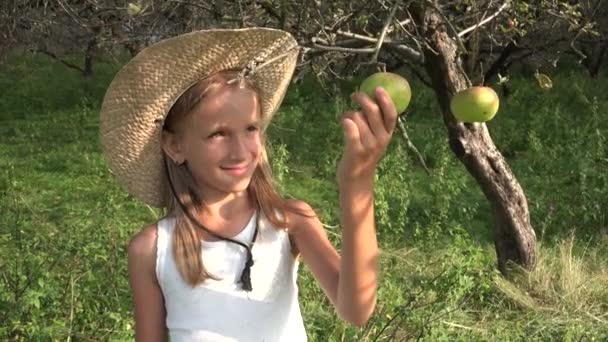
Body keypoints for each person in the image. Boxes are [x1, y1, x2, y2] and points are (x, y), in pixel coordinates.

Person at [99, 27, 398, 342]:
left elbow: (357, 310)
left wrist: (356, 183)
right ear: (175, 146)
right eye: (218, 133)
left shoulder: (288, 220)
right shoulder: (152, 249)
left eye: (251, 128)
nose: (241, 151)